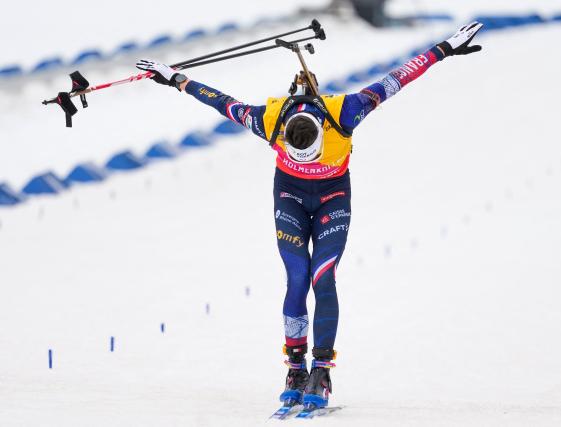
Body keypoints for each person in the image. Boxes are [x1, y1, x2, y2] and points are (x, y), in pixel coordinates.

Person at [136, 22, 484, 410]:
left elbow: (397, 78)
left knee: (323, 276)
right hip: (291, 199)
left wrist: (442, 49)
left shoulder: (346, 110)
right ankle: (295, 369)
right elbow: (219, 100)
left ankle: (321, 369)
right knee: (298, 277)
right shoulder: (269, 118)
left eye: (314, 154)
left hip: (333, 199)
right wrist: (175, 78)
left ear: (320, 133)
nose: (309, 159)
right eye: (298, 154)